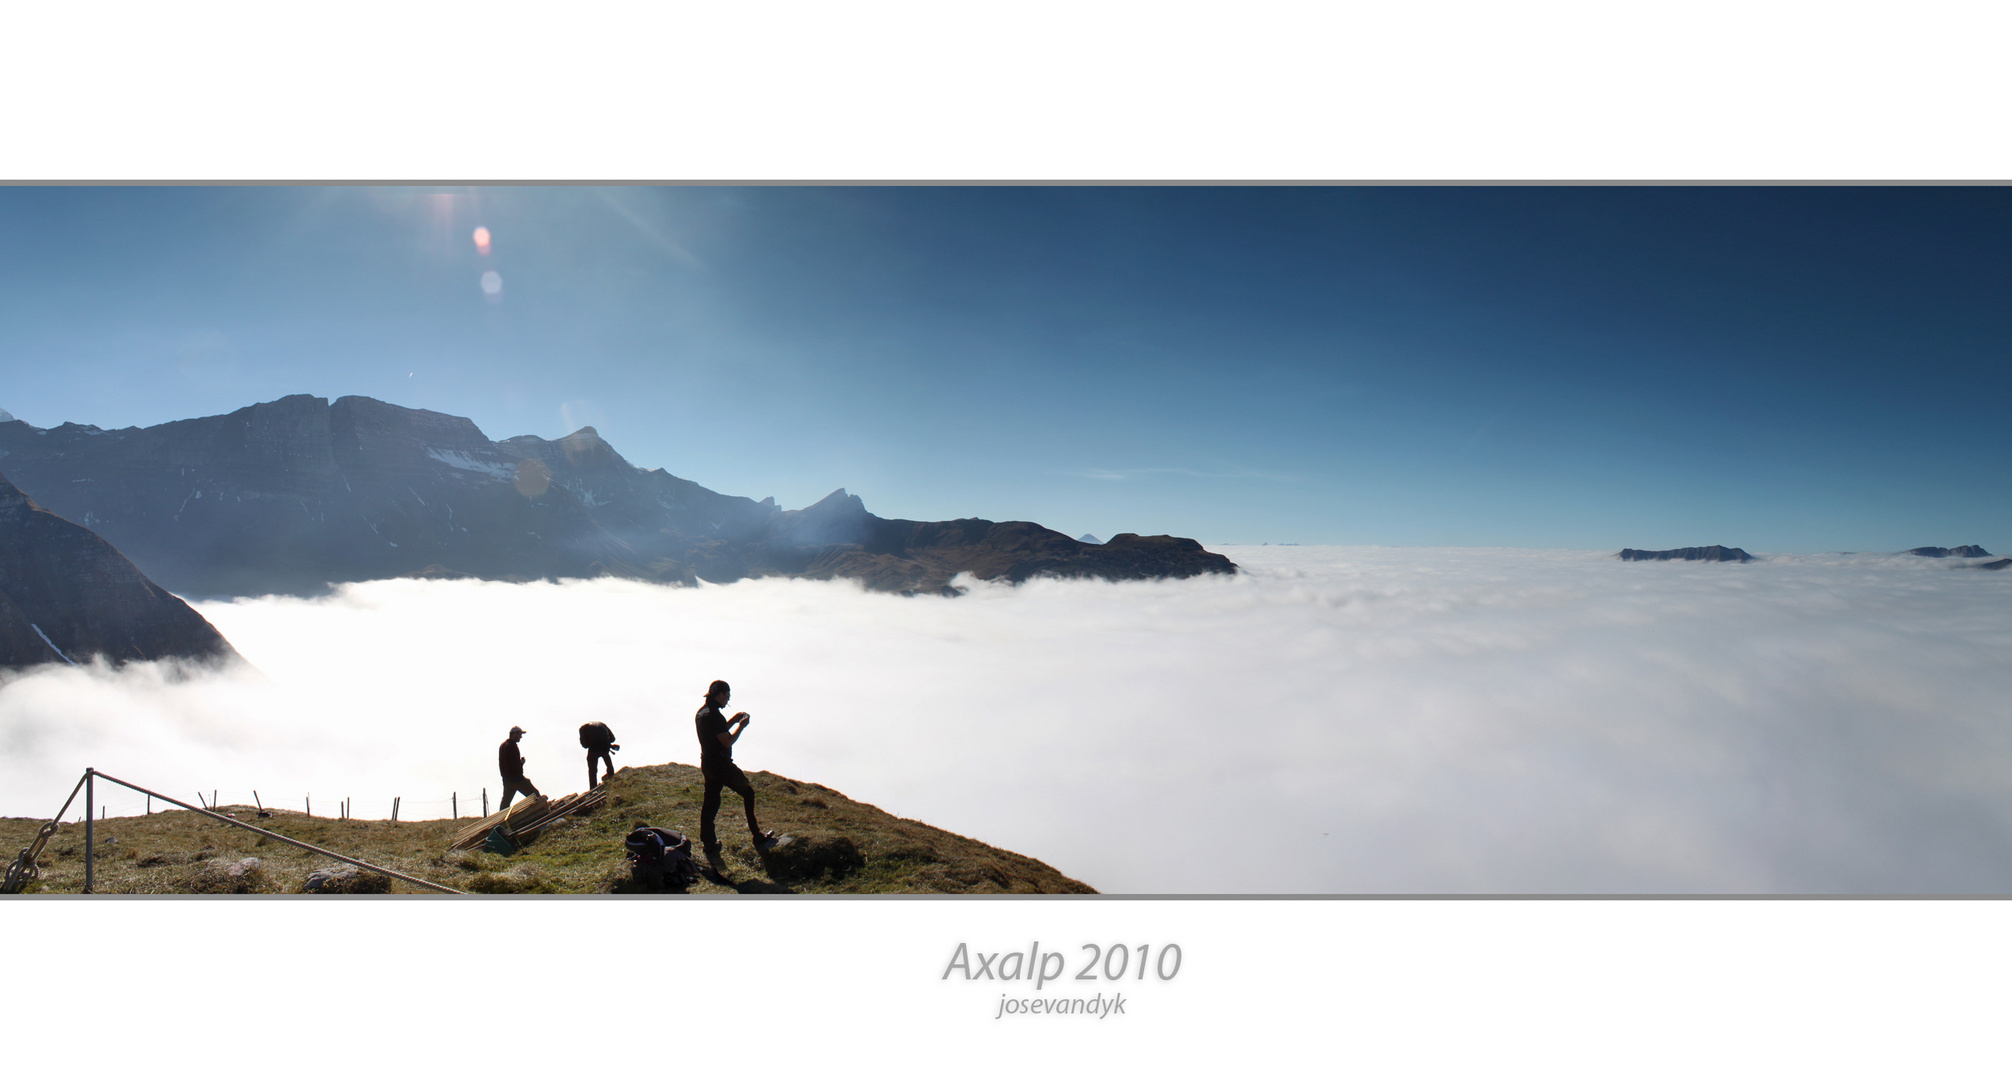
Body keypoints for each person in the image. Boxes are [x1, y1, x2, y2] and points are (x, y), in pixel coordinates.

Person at [694, 679, 775, 864]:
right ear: (720, 695)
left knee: (710, 803)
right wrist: (741, 726)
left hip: (707, 764)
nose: (727, 700)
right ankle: (757, 836)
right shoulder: (714, 716)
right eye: (727, 696)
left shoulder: (702, 713)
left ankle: (709, 843)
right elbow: (727, 741)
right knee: (748, 793)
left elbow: (717, 732)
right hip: (722, 766)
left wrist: (733, 719)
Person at [498, 725, 541, 810]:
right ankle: (542, 811)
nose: (521, 737)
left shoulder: (503, 745)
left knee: (505, 803)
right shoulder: (512, 746)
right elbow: (515, 765)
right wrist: (521, 763)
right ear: (514, 734)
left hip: (507, 780)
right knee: (535, 795)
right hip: (517, 779)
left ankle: (500, 819)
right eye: (519, 734)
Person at [580, 721, 620, 788]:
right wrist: (605, 742)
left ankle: (593, 788)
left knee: (592, 769)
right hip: (605, 747)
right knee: (606, 755)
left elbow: (585, 745)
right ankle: (611, 774)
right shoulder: (602, 724)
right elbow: (613, 739)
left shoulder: (583, 729)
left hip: (594, 749)